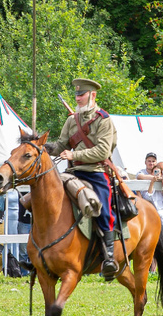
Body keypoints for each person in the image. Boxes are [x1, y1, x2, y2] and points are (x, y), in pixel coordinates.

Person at [44, 78, 121, 279]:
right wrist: (40, 147)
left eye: (82, 94)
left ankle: (110, 256)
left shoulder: (104, 120)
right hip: (73, 172)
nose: (78, 98)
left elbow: (103, 150)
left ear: (92, 95)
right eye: (77, 95)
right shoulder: (71, 120)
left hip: (96, 171)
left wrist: (74, 155)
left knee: (102, 205)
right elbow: (60, 145)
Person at [135, 152, 163, 224]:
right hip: (147, 208)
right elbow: (140, 176)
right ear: (145, 162)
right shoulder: (142, 172)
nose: (151, 163)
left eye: (153, 161)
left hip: (160, 208)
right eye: (149, 161)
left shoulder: (161, 172)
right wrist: (159, 178)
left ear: (156, 162)